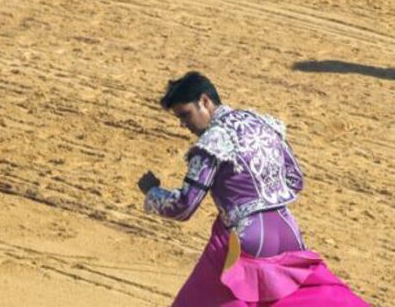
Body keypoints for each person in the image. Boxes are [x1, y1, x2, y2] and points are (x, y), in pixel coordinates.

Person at [138, 71, 370, 306]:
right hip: (288, 228)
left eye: (185, 114)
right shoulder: (263, 123)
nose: (183, 124)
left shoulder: (213, 141)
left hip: (246, 237)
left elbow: (184, 207)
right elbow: (295, 179)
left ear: (205, 101)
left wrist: (152, 192)